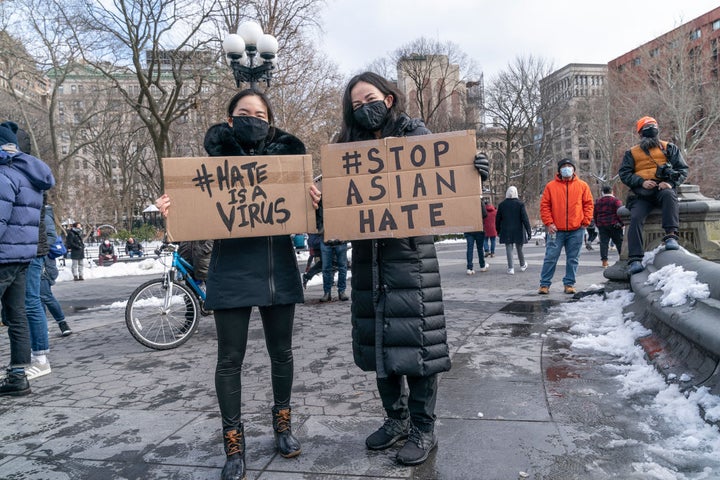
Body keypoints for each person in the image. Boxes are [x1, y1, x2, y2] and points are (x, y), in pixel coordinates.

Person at [309, 71, 490, 466]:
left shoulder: (416, 135)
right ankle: (397, 420)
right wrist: (321, 203)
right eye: (355, 105)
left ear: (388, 98)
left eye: (369, 99)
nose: (364, 109)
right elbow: (337, 218)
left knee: (418, 345)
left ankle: (424, 427)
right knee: (380, 346)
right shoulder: (346, 150)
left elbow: (449, 182)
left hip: (411, 260)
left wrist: (471, 168)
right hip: (367, 263)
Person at [157, 88, 305, 480]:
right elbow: (189, 218)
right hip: (232, 269)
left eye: (259, 113)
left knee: (282, 353)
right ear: (229, 120)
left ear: (270, 121)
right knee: (229, 359)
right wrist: (172, 210)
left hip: (277, 268)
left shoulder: (290, 164)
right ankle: (233, 443)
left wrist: (314, 201)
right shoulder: (210, 167)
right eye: (243, 112)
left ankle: (283, 425)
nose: (251, 118)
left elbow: (312, 217)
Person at [0, 120, 55, 396]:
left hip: (3, 256)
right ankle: (18, 375)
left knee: (20, 313)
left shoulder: (3, 175)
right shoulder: (29, 175)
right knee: (17, 315)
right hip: (23, 256)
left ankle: (18, 375)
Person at [619, 116, 688, 275]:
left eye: (653, 128)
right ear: (640, 134)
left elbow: (682, 170)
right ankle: (635, 258)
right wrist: (641, 182)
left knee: (669, 195)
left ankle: (671, 235)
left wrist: (670, 183)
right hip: (641, 194)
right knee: (635, 218)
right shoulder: (631, 152)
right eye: (647, 128)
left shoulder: (669, 148)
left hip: (662, 189)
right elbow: (624, 174)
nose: (650, 131)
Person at [538, 158, 594, 295]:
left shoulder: (582, 185)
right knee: (550, 257)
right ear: (559, 170)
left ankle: (569, 284)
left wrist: (586, 221)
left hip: (576, 229)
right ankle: (544, 284)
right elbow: (545, 206)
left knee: (573, 258)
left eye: (570, 166)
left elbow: (588, 204)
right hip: (555, 230)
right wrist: (549, 223)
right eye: (564, 166)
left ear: (574, 169)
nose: (567, 168)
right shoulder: (551, 186)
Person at [41, 204, 71, 336]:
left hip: (43, 262)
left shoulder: (44, 215)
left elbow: (51, 238)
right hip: (35, 260)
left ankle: (62, 323)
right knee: (37, 298)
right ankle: (42, 327)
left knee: (45, 295)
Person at [495, 186, 532, 275]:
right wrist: (528, 231)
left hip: (506, 229)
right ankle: (522, 265)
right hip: (518, 229)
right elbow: (525, 219)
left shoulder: (502, 205)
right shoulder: (520, 204)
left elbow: (498, 219)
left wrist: (498, 230)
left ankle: (511, 268)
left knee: (509, 249)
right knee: (519, 248)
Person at [594, 185, 624, 268]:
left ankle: (604, 261)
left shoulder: (598, 201)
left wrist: (598, 223)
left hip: (602, 225)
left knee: (604, 243)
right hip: (615, 224)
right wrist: (621, 223)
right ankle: (622, 259)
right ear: (612, 191)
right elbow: (620, 212)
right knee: (619, 243)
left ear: (602, 192)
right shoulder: (616, 201)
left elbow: (595, 214)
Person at [464, 201, 489, 275]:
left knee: (469, 248)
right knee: (480, 248)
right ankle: (482, 265)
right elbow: (485, 214)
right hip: (478, 227)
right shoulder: (478, 201)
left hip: (468, 228)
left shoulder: (465, 201)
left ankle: (469, 267)